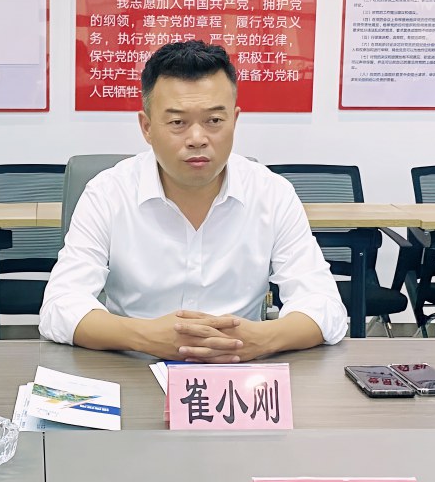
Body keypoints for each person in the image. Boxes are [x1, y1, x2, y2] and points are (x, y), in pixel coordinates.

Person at [39, 40, 347, 363]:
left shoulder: (272, 194)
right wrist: (145, 337)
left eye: (214, 121)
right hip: (132, 368)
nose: (197, 138)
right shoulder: (107, 193)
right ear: (147, 127)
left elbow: (325, 307)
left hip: (238, 374)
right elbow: (60, 306)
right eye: (178, 123)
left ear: (234, 120)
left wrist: (260, 339)